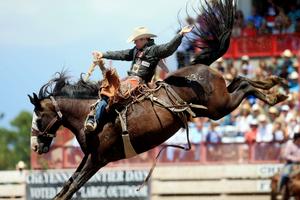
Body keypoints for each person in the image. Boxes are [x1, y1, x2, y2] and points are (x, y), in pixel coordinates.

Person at [84, 26, 194, 132]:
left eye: (136, 40)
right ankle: (96, 117)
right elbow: (121, 54)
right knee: (106, 89)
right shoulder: (136, 50)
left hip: (138, 82)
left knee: (110, 90)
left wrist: (180, 34)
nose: (134, 43)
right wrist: (103, 54)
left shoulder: (154, 50)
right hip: (129, 80)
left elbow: (168, 48)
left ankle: (93, 119)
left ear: (144, 39)